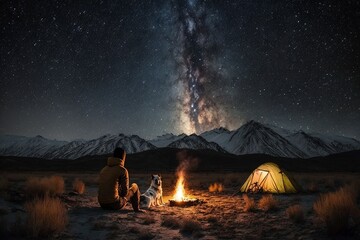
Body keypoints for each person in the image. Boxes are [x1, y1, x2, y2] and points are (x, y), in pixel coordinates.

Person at [98, 147, 143, 212]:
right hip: (115, 204)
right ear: (123, 157)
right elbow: (125, 193)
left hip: (102, 204)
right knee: (135, 186)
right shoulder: (122, 170)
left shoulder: (104, 169)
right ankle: (137, 209)